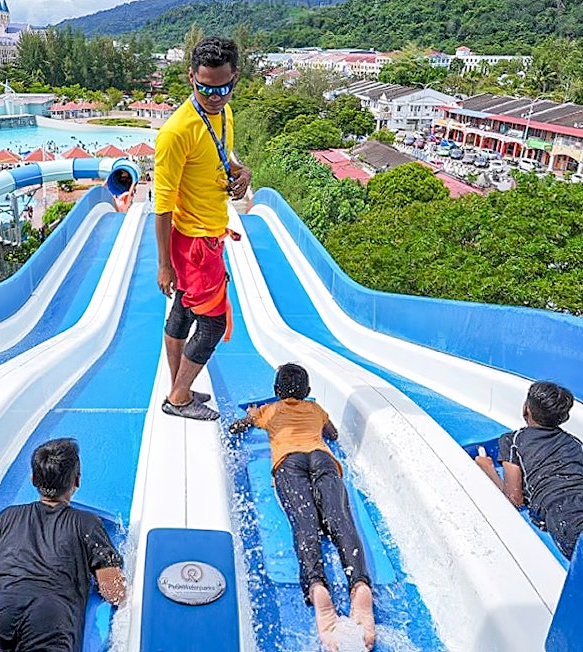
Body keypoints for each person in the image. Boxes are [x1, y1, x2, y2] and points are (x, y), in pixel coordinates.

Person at [229, 364, 375, 651]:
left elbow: (238, 427)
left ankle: (317, 586)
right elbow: (332, 434)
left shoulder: (271, 411)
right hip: (322, 459)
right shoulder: (315, 409)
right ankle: (360, 586)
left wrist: (252, 415)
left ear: (276, 391)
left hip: (289, 462)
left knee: (305, 522)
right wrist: (319, 421)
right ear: (308, 391)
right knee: (340, 520)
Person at [154, 35, 252, 421]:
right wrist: (164, 264)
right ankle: (179, 397)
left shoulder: (224, 114)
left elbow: (221, 155)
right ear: (190, 77)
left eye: (224, 88)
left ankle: (178, 385)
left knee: (183, 312)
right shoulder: (177, 132)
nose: (215, 96)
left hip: (210, 234)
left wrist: (240, 171)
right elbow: (162, 206)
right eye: (206, 89)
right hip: (194, 242)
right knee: (213, 324)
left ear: (235, 78)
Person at [0, 438, 126, 652]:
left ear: (32, 479)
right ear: (77, 480)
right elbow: (114, 592)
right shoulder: (87, 523)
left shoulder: (7, 517)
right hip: (50, 619)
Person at [475, 381, 583, 559]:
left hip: (562, 510)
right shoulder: (576, 443)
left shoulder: (513, 441)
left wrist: (489, 470)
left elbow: (514, 500)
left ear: (527, 409)